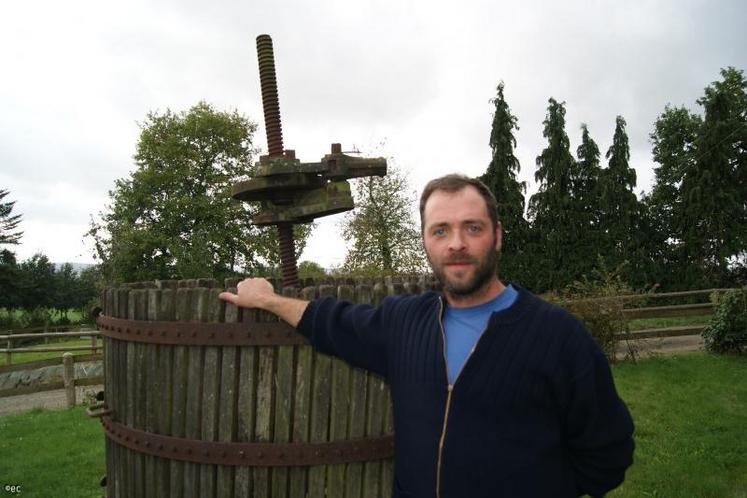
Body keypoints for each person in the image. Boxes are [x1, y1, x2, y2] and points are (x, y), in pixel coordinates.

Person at [219, 174, 634, 498]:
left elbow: (608, 454)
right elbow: (333, 322)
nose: (456, 243)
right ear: (425, 241)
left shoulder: (558, 337)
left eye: (472, 228)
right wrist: (270, 300)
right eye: (440, 231)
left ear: (498, 235)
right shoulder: (405, 323)